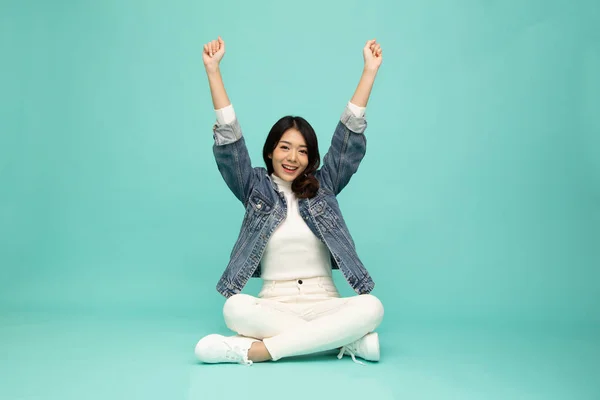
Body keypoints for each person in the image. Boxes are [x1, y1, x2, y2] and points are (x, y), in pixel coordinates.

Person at [195, 36, 384, 366]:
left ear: (310, 158)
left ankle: (255, 350)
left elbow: (347, 142)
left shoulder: (324, 185)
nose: (292, 157)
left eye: (302, 150)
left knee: (371, 306)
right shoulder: (254, 186)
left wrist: (369, 71)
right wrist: (213, 71)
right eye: (285, 147)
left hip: (325, 301)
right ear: (270, 151)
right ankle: (344, 341)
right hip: (274, 304)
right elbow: (230, 144)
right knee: (234, 307)